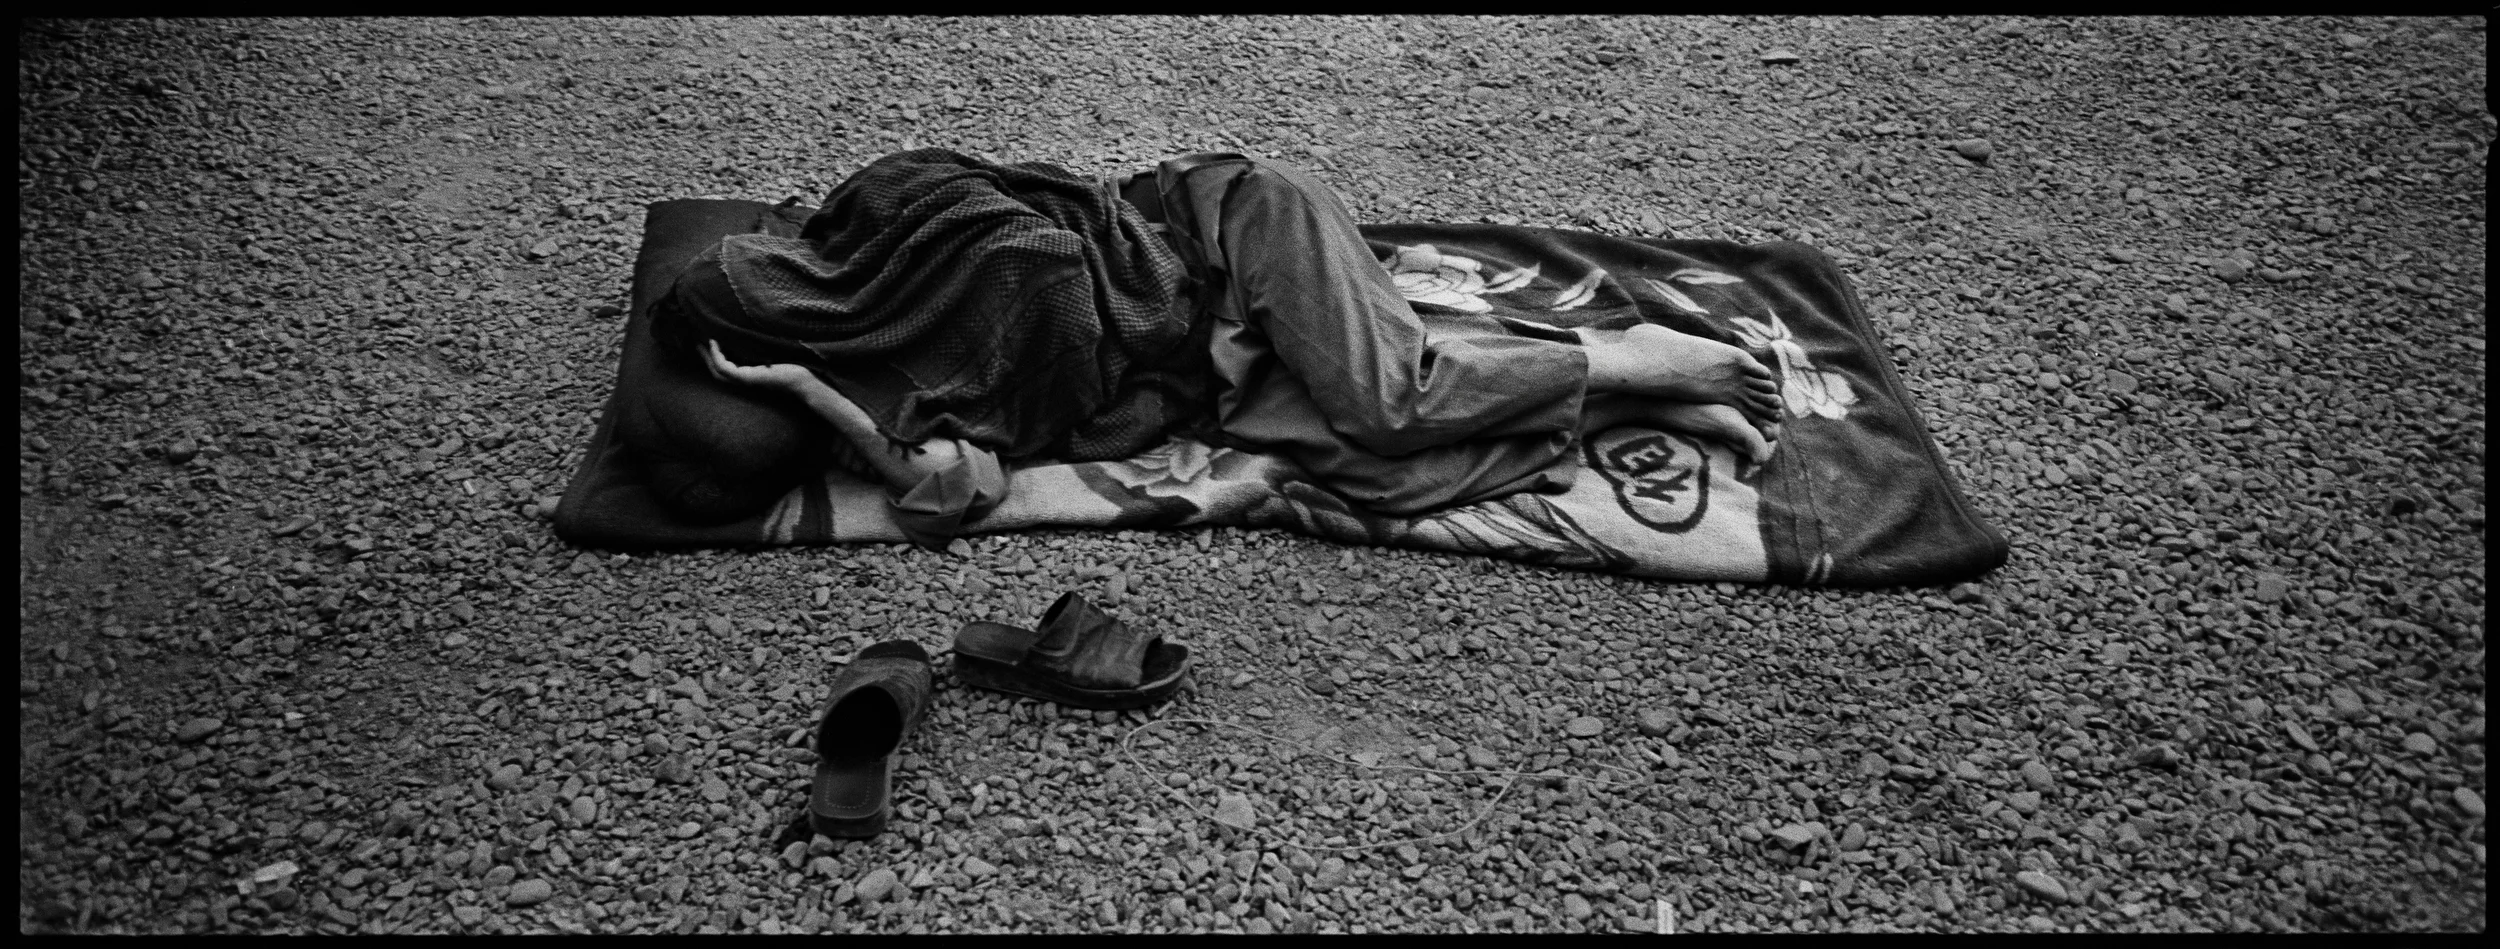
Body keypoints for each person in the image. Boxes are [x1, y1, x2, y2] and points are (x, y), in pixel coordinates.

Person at [674, 150, 1781, 542]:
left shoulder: (905, 210)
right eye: (778, 334)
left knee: (1386, 403)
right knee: (1385, 465)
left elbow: (1046, 248)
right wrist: (814, 395)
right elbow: (945, 493)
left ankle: (1646, 355)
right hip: (1211, 360)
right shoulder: (885, 365)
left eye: (788, 312)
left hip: (1235, 235)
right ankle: (1637, 402)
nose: (801, 326)